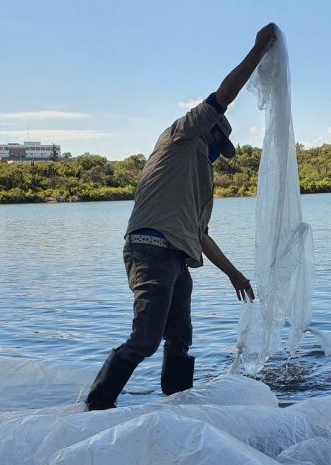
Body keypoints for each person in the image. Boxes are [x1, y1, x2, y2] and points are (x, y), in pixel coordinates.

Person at [85, 23, 278, 411]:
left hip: (175, 257)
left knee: (180, 340)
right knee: (145, 339)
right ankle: (96, 406)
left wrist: (234, 274)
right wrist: (257, 51)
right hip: (150, 250)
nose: (215, 154)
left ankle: (176, 405)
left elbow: (201, 235)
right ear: (206, 130)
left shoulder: (197, 180)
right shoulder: (179, 137)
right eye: (216, 144)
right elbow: (223, 96)